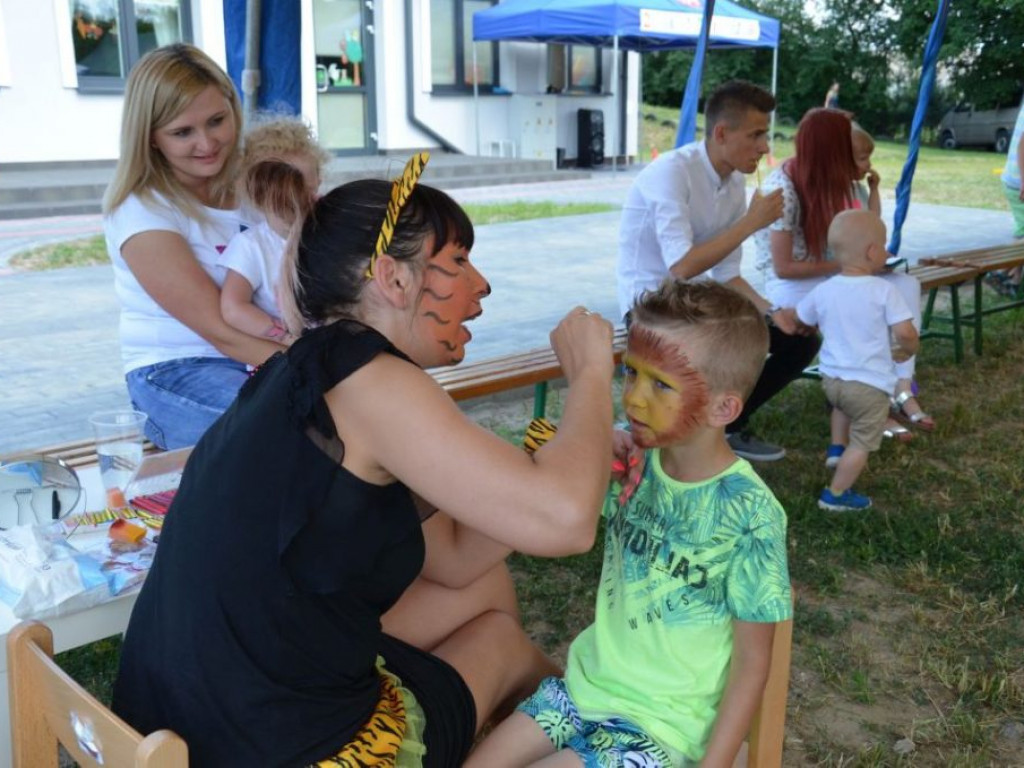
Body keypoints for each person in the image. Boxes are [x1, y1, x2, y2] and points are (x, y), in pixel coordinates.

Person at [111, 153, 619, 767]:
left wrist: (566, 453)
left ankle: (562, 734)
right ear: (393, 279)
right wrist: (592, 374)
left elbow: (456, 558)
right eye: (459, 261)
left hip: (180, 720)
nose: (481, 284)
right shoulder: (373, 380)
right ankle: (611, 740)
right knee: (504, 646)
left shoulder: (303, 367)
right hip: (267, 745)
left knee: (485, 591)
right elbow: (567, 523)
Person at [467, 279, 793, 768]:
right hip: (580, 692)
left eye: (661, 384)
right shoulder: (630, 462)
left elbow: (753, 664)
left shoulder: (750, 514)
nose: (635, 399)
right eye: (631, 373)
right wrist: (597, 450)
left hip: (661, 727)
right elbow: (542, 498)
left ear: (723, 407)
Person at [617, 79, 819, 462]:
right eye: (756, 135)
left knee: (799, 341)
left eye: (766, 135)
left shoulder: (734, 182)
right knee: (713, 350)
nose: (765, 147)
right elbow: (682, 267)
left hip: (696, 305)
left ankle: (726, 426)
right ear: (722, 133)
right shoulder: (671, 172)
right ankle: (653, 430)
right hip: (649, 308)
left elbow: (727, 274)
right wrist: (751, 222)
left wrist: (772, 311)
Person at [103, 43, 284, 450]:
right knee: (286, 431)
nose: (207, 143)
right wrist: (310, 366)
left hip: (262, 357)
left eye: (217, 121)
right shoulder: (142, 208)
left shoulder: (256, 186)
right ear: (150, 138)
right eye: (183, 132)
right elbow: (221, 330)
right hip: (174, 372)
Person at [753, 110, 934, 440]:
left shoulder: (838, 183)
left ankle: (900, 385)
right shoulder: (783, 190)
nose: (862, 162)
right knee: (859, 302)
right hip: (793, 283)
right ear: (833, 151)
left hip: (835, 272)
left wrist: (863, 262)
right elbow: (784, 268)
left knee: (905, 285)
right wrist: (852, 266)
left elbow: (865, 230)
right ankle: (865, 403)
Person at [793, 210, 919, 512]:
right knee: (862, 441)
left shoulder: (824, 289)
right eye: (884, 246)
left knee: (842, 406)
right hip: (869, 387)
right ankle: (836, 494)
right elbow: (905, 332)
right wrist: (910, 348)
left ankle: (837, 448)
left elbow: (802, 318)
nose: (887, 252)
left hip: (832, 381)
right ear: (872, 252)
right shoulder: (885, 290)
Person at [219, 117, 331, 344]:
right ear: (259, 194)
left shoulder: (330, 230)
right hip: (286, 351)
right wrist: (285, 337)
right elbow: (233, 307)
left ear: (318, 180)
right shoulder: (251, 246)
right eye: (290, 197)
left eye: (310, 190)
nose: (304, 201)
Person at [994, 98, 1024, 296]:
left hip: (1014, 178)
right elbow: (1023, 144)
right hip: (1018, 180)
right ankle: (1000, 271)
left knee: (1022, 232)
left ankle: (1013, 281)